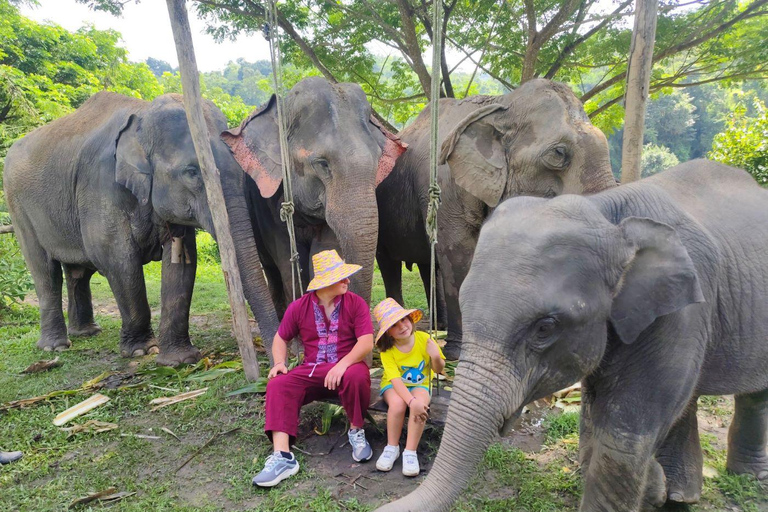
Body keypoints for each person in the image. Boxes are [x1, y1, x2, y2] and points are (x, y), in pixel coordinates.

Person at [252, 250, 374, 488]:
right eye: (341, 278)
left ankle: (356, 431)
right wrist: (279, 363)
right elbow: (280, 338)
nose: (347, 281)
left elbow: (366, 342)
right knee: (278, 383)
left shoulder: (355, 303)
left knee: (358, 376)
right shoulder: (299, 307)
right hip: (312, 370)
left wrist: (342, 365)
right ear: (326, 283)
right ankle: (283, 457)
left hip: (347, 367)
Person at [373, 298, 445, 476]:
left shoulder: (424, 339)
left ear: (410, 319)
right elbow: (396, 380)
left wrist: (435, 356)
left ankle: (410, 451)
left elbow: (438, 369)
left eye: (403, 320)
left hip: (419, 384)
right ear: (388, 333)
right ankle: (392, 447)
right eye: (394, 325)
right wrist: (410, 400)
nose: (402, 326)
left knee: (421, 403)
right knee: (398, 404)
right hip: (393, 385)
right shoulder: (387, 351)